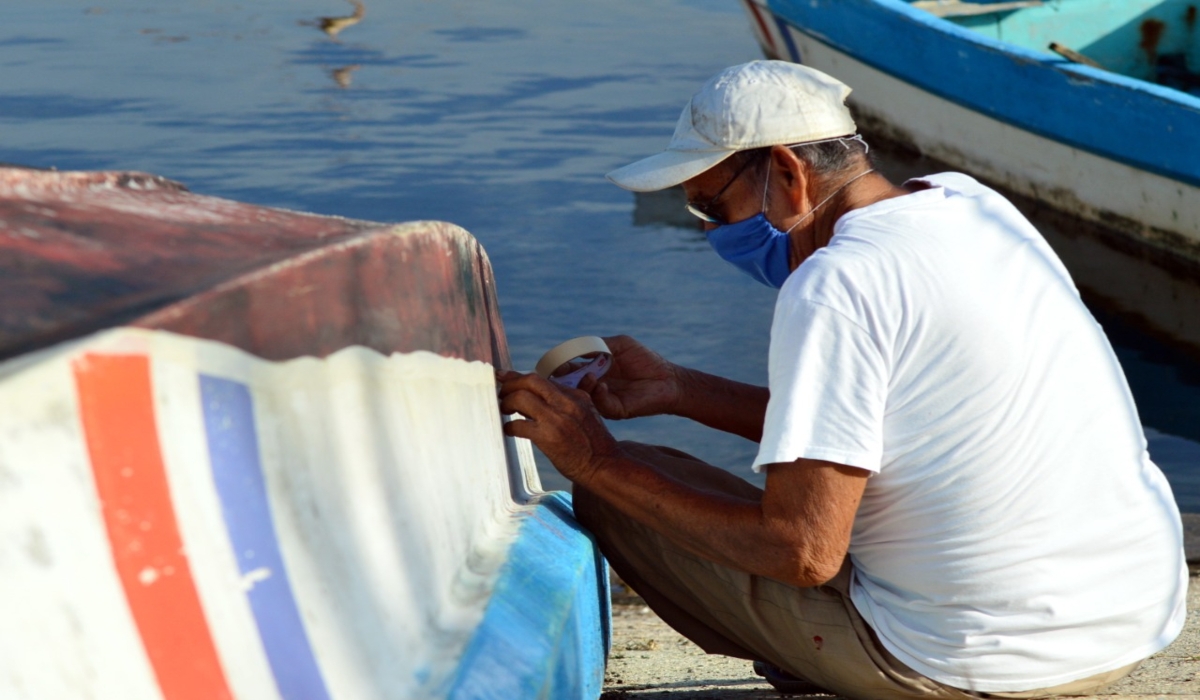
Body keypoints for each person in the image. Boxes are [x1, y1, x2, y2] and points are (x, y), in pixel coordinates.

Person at [496, 60, 1186, 699]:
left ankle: (825, 657)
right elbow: (894, 424)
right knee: (652, 470)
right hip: (1129, 617)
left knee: (617, 494)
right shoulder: (972, 206)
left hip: (975, 660)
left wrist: (593, 459)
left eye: (712, 206)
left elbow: (802, 552)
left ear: (789, 173)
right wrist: (679, 388)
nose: (713, 230)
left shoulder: (833, 285)